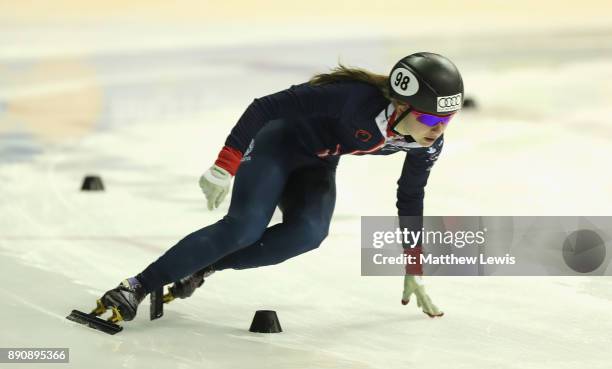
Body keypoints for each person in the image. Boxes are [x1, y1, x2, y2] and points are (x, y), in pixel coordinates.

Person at [93, 52, 464, 323]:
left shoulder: (426, 142)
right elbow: (264, 107)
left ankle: (203, 267)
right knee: (244, 227)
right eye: (431, 117)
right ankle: (136, 286)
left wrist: (413, 263)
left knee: (309, 234)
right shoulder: (353, 98)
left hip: (318, 160)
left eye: (448, 118)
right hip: (279, 143)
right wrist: (226, 163)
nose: (439, 127)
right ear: (399, 105)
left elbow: (410, 196)